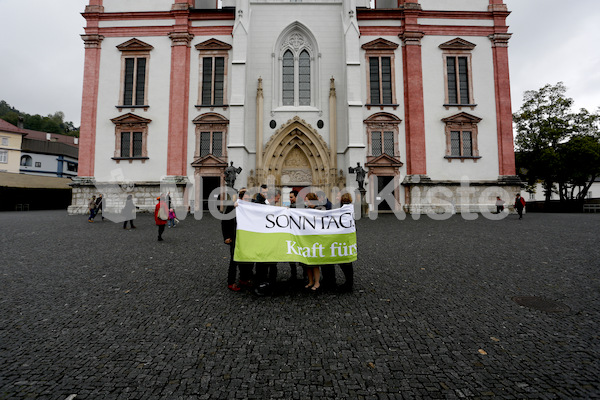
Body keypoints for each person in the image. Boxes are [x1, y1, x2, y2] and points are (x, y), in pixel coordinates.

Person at [253, 184, 277, 295]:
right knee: (261, 264)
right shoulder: (257, 203)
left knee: (269, 263)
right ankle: (260, 285)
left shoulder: (270, 205)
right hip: (261, 238)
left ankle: (269, 283)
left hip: (269, 238)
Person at [303, 192, 324, 292]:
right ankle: (310, 281)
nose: (305, 202)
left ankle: (317, 282)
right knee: (307, 262)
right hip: (306, 238)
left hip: (315, 239)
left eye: (307, 200)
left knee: (315, 263)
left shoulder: (320, 209)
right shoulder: (306, 210)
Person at [338, 192, 354, 292]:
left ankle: (349, 284)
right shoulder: (350, 209)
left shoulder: (343, 209)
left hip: (343, 238)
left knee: (345, 262)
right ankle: (349, 282)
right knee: (347, 262)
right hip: (348, 238)